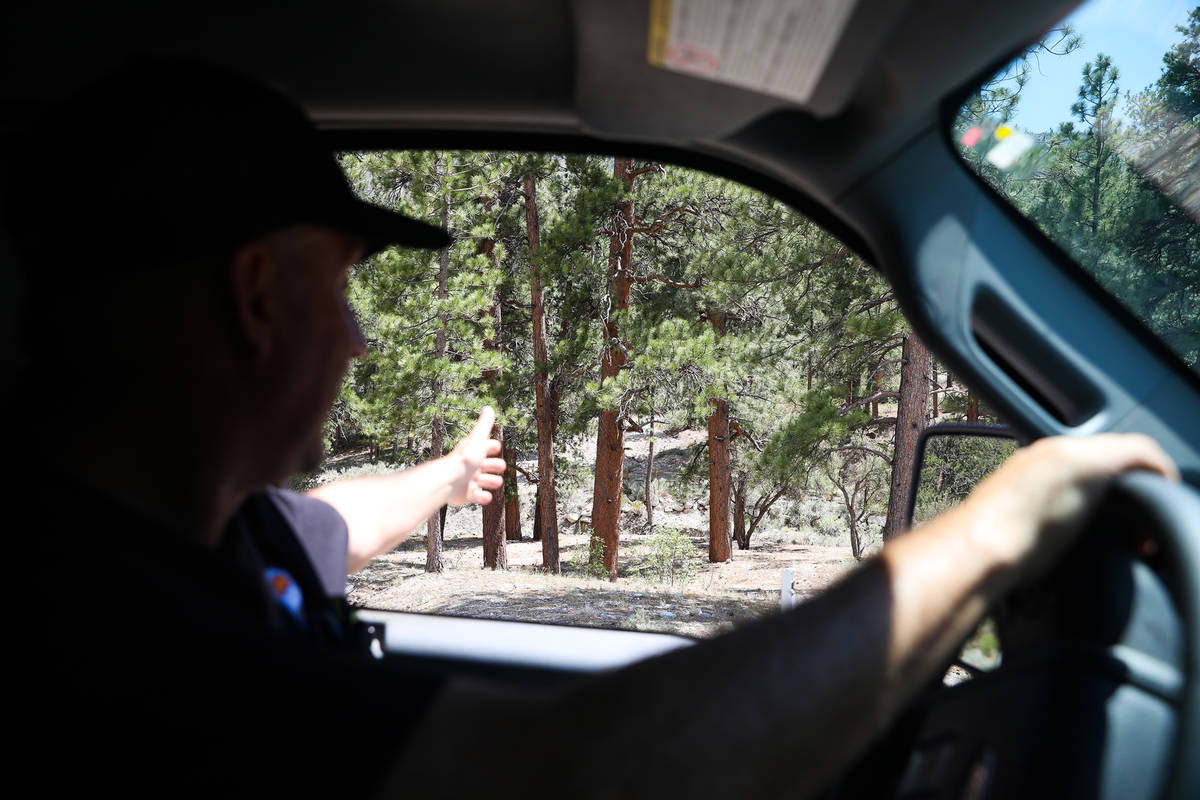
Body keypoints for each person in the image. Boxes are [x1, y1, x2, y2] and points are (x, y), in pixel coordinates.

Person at [4, 59, 1179, 798]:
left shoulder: (191, 532)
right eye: (346, 285)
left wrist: (448, 473)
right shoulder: (110, 638)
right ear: (256, 298)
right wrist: (986, 535)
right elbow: (578, 769)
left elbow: (324, 523)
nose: (359, 338)